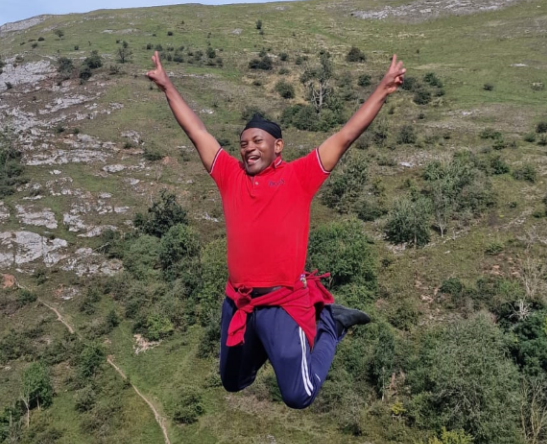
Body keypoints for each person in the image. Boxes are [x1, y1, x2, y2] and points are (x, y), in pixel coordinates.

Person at [146, 49, 406, 409]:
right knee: (233, 381)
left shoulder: (299, 176)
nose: (248, 148)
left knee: (298, 396)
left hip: (282, 303)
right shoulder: (229, 177)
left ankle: (331, 324)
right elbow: (197, 131)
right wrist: (166, 86)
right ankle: (276, 347)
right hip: (239, 301)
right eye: (243, 144)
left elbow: (346, 135)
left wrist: (381, 89)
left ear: (277, 146)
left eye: (257, 141)